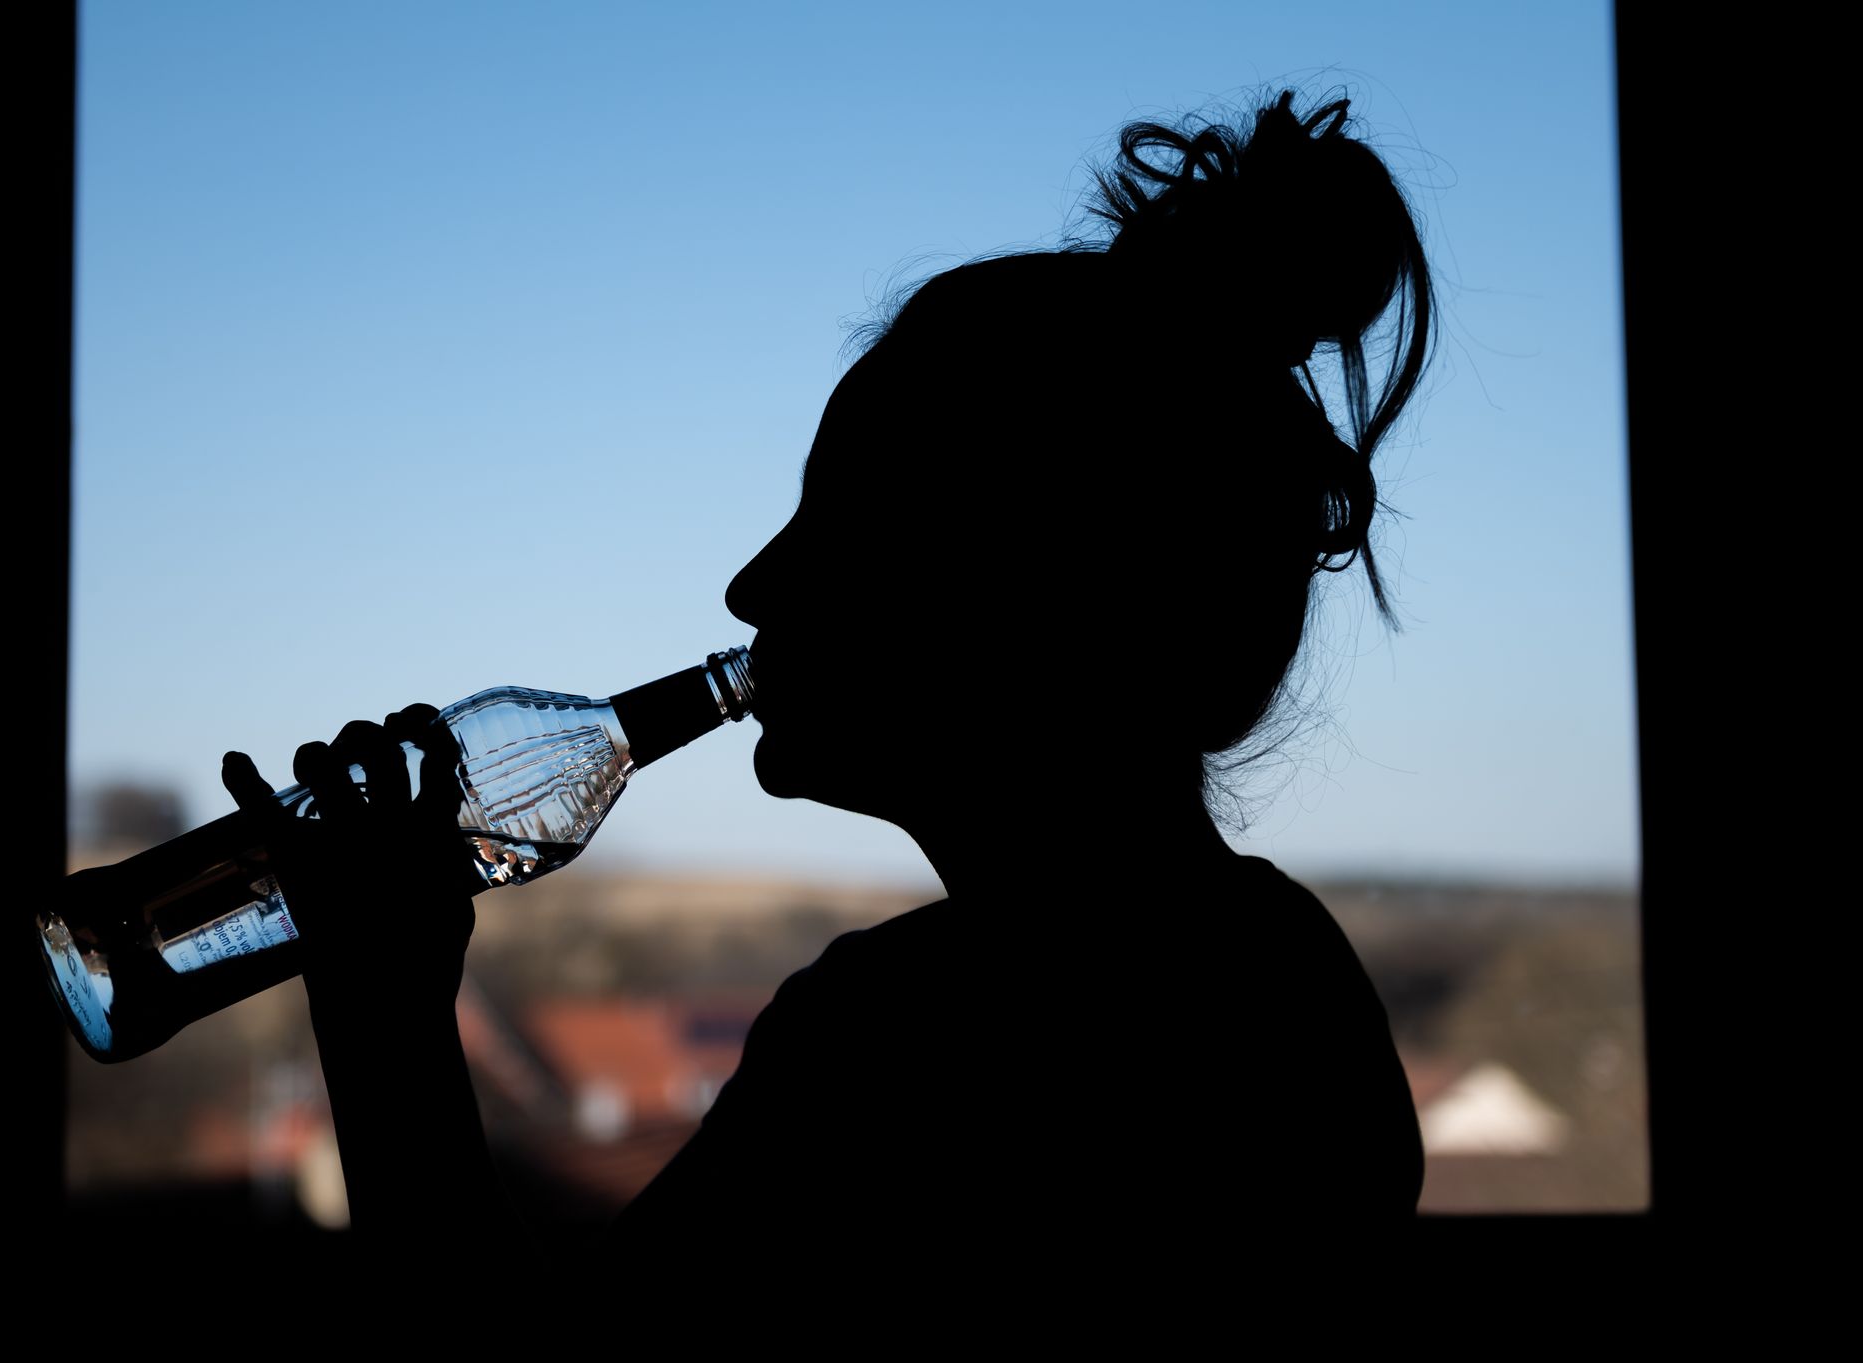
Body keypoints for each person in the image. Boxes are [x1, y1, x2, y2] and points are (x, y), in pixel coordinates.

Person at [223, 87, 1437, 1279]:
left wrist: (383, 1028)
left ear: (1022, 595)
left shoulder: (903, 1042)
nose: (751, 585)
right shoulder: (1283, 982)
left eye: (836, 524)